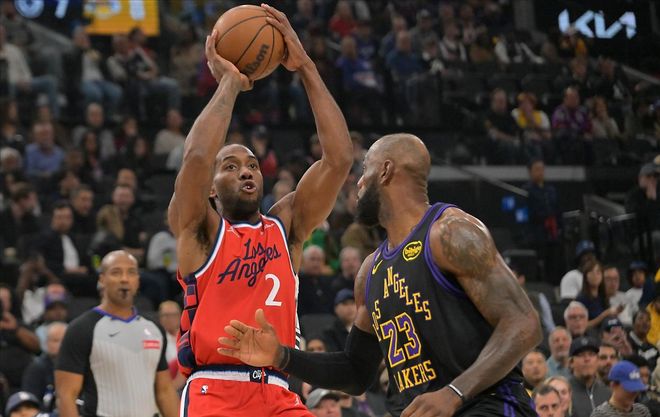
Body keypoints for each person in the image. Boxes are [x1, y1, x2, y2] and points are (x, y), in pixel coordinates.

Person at [218, 133, 542, 417]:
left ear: (385, 171)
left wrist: (454, 393)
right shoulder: (370, 271)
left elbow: (524, 324)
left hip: (486, 406)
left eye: (364, 170)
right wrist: (281, 355)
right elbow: (355, 372)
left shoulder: (450, 232)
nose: (358, 183)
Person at [168, 5, 353, 417]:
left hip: (280, 392)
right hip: (216, 390)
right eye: (231, 166)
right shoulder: (199, 231)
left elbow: (340, 158)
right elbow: (196, 157)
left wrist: (305, 66)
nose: (246, 171)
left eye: (252, 164)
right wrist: (230, 83)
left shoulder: (286, 226)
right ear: (211, 189)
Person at [54, 250, 179, 417]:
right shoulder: (81, 329)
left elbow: (165, 391)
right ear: (102, 279)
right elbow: (66, 396)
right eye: (116, 272)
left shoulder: (154, 329)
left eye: (131, 272)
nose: (124, 279)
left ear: (138, 280)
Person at [568, 336, 611, 417]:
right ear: (571, 363)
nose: (587, 359)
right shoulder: (565, 393)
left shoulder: (608, 393)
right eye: (581, 355)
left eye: (591, 354)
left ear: (597, 360)